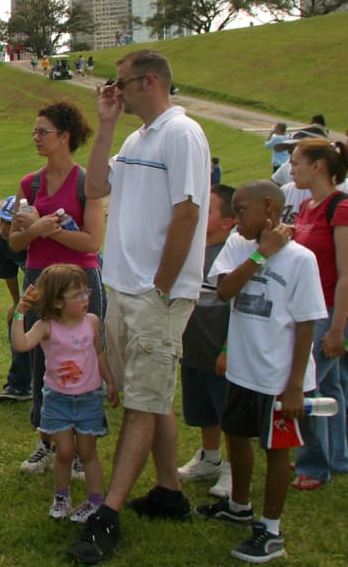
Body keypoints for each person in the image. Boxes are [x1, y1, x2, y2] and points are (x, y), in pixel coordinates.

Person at [69, 50, 209, 565]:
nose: (115, 91)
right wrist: (105, 124)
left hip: (156, 294)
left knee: (141, 404)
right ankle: (169, 490)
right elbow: (99, 188)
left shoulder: (181, 133)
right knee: (149, 395)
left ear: (148, 82)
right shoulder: (135, 137)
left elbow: (189, 212)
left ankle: (108, 513)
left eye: (120, 84)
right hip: (126, 286)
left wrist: (163, 286)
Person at [201, 180, 324, 564]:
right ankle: (239, 506)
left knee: (276, 452)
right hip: (243, 370)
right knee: (237, 436)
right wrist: (260, 255)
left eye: (241, 210)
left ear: (268, 207)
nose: (235, 219)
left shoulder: (301, 259)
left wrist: (293, 387)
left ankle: (271, 530)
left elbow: (305, 326)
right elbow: (224, 291)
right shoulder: (240, 246)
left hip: (279, 379)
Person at [9, 100, 105, 476]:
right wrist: (33, 230)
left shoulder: (86, 184)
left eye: (43, 131)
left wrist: (55, 231)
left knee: (81, 362)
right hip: (38, 281)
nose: (36, 137)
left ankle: (83, 448)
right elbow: (15, 241)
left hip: (79, 284)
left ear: (64, 137)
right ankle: (46, 441)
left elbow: (93, 242)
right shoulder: (28, 184)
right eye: (34, 131)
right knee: (41, 362)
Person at [11, 264, 118, 523]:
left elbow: (100, 354)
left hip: (89, 399)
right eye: (77, 295)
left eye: (86, 292)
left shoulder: (91, 322)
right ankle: (61, 496)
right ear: (57, 303)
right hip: (57, 400)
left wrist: (110, 382)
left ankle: (95, 501)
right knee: (65, 452)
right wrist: (19, 313)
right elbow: (21, 343)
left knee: (87, 452)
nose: (85, 299)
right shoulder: (46, 327)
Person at [288, 138, 348, 490]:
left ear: (318, 165)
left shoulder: (344, 208)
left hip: (336, 308)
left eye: (296, 162)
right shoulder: (306, 207)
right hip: (314, 307)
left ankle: (314, 466)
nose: (291, 169)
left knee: (308, 384)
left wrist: (338, 330)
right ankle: (336, 459)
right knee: (329, 387)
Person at [177, 184, 237, 501]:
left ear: (228, 222)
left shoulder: (232, 252)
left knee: (224, 404)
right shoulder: (192, 245)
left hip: (219, 343)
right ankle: (209, 457)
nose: (201, 215)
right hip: (193, 343)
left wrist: (228, 348)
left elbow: (238, 306)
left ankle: (231, 465)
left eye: (209, 210)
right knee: (201, 405)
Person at [0, 196, 32, 403]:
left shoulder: (36, 242)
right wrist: (17, 302)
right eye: (3, 222)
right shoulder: (1, 243)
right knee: (17, 321)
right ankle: (20, 384)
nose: (5, 229)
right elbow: (10, 274)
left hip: (67, 283)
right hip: (36, 288)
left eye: (11, 223)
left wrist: (23, 305)